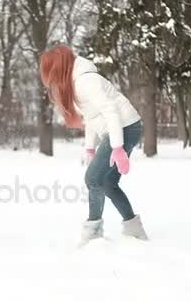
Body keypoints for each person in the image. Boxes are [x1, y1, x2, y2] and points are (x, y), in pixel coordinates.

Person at [39, 45, 148, 244]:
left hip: (124, 127)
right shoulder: (76, 81)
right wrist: (90, 146)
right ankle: (134, 230)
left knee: (93, 179)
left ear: (57, 67)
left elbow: (110, 111)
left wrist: (117, 147)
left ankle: (93, 234)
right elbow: (92, 117)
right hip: (124, 127)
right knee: (107, 183)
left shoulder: (84, 81)